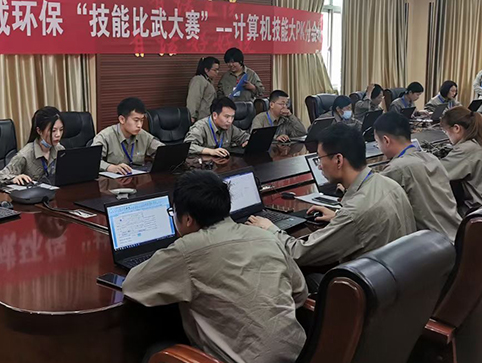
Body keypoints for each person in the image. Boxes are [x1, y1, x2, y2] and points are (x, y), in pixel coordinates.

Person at [122, 170, 307, 363]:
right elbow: (300, 293)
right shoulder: (266, 237)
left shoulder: (188, 250)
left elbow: (132, 286)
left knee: (154, 356)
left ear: (187, 219)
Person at [247, 124, 415, 272]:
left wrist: (270, 229)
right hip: (400, 279)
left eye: (320, 158)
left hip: (367, 290)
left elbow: (298, 253)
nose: (319, 166)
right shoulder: (390, 185)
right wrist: (338, 217)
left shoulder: (354, 213)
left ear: (338, 160)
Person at [374, 113, 461, 242]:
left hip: (434, 246)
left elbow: (371, 198)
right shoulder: (431, 158)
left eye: (377, 142)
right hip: (457, 235)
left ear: (386, 140)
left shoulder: (398, 168)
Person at [0, 106, 65, 186]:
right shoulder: (25, 155)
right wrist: (13, 178)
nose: (58, 134)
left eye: (61, 130)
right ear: (39, 131)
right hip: (33, 192)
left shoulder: (60, 150)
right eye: (53, 130)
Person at [92, 97, 164, 174]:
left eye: (142, 120)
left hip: (138, 177)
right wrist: (110, 167)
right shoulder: (105, 136)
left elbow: (163, 151)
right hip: (114, 179)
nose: (139, 125)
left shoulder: (143, 135)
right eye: (136, 120)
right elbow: (91, 160)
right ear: (122, 119)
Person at [184, 97, 249, 157]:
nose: (230, 121)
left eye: (232, 117)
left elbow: (244, 136)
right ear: (215, 115)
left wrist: (247, 141)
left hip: (223, 162)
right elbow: (188, 147)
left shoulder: (230, 127)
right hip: (204, 163)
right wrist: (210, 151)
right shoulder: (200, 127)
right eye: (227, 116)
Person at [187, 57, 220, 122]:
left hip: (209, 118)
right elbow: (193, 99)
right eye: (215, 70)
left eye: (218, 70)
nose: (217, 72)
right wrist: (192, 116)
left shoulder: (209, 81)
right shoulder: (198, 80)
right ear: (206, 70)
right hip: (201, 119)